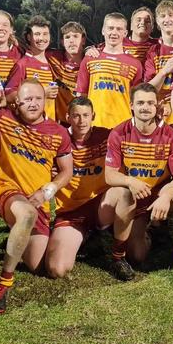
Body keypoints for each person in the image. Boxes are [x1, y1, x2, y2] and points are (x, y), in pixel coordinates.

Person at [0, 79, 73, 313]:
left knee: (36, 264)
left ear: (45, 101)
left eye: (38, 99)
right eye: (27, 99)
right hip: (7, 189)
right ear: (17, 102)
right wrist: (7, 99)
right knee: (25, 215)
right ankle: (3, 286)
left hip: (37, 201)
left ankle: (17, 238)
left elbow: (67, 171)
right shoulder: (3, 118)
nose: (33, 104)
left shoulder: (58, 132)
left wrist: (48, 191)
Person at [105, 83, 173, 280]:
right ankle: (118, 256)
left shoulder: (169, 134)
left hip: (156, 195)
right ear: (131, 105)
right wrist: (131, 182)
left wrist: (165, 196)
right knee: (137, 256)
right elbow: (110, 176)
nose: (145, 107)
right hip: (132, 194)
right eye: (140, 102)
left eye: (150, 103)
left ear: (157, 106)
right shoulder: (119, 132)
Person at [47, 97, 116, 278]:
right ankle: (87, 234)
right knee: (57, 269)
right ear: (68, 117)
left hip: (101, 203)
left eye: (86, 115)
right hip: (72, 210)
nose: (81, 121)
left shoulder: (106, 136)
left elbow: (136, 131)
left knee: (121, 192)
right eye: (76, 116)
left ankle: (107, 231)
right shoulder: (58, 139)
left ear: (93, 116)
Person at [75, 13, 143, 129]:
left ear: (125, 33)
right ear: (103, 30)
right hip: (94, 125)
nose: (114, 33)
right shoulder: (90, 59)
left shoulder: (135, 64)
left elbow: (137, 100)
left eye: (119, 29)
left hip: (123, 127)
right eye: (110, 28)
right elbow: (81, 95)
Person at [144, 0, 173, 123]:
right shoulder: (153, 52)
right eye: (162, 16)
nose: (167, 19)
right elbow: (149, 88)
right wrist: (164, 71)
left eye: (171, 15)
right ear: (157, 21)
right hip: (161, 115)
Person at [4, 16, 58, 120]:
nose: (42, 38)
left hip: (52, 124)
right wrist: (41, 93)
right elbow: (9, 95)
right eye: (37, 34)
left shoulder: (54, 61)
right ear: (29, 37)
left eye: (45, 34)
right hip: (31, 125)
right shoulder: (23, 64)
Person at [47, 21, 87, 124]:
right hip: (61, 122)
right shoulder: (53, 57)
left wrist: (90, 49)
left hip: (83, 121)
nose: (71, 41)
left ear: (83, 40)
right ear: (62, 42)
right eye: (67, 37)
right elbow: (32, 50)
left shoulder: (91, 62)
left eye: (75, 36)